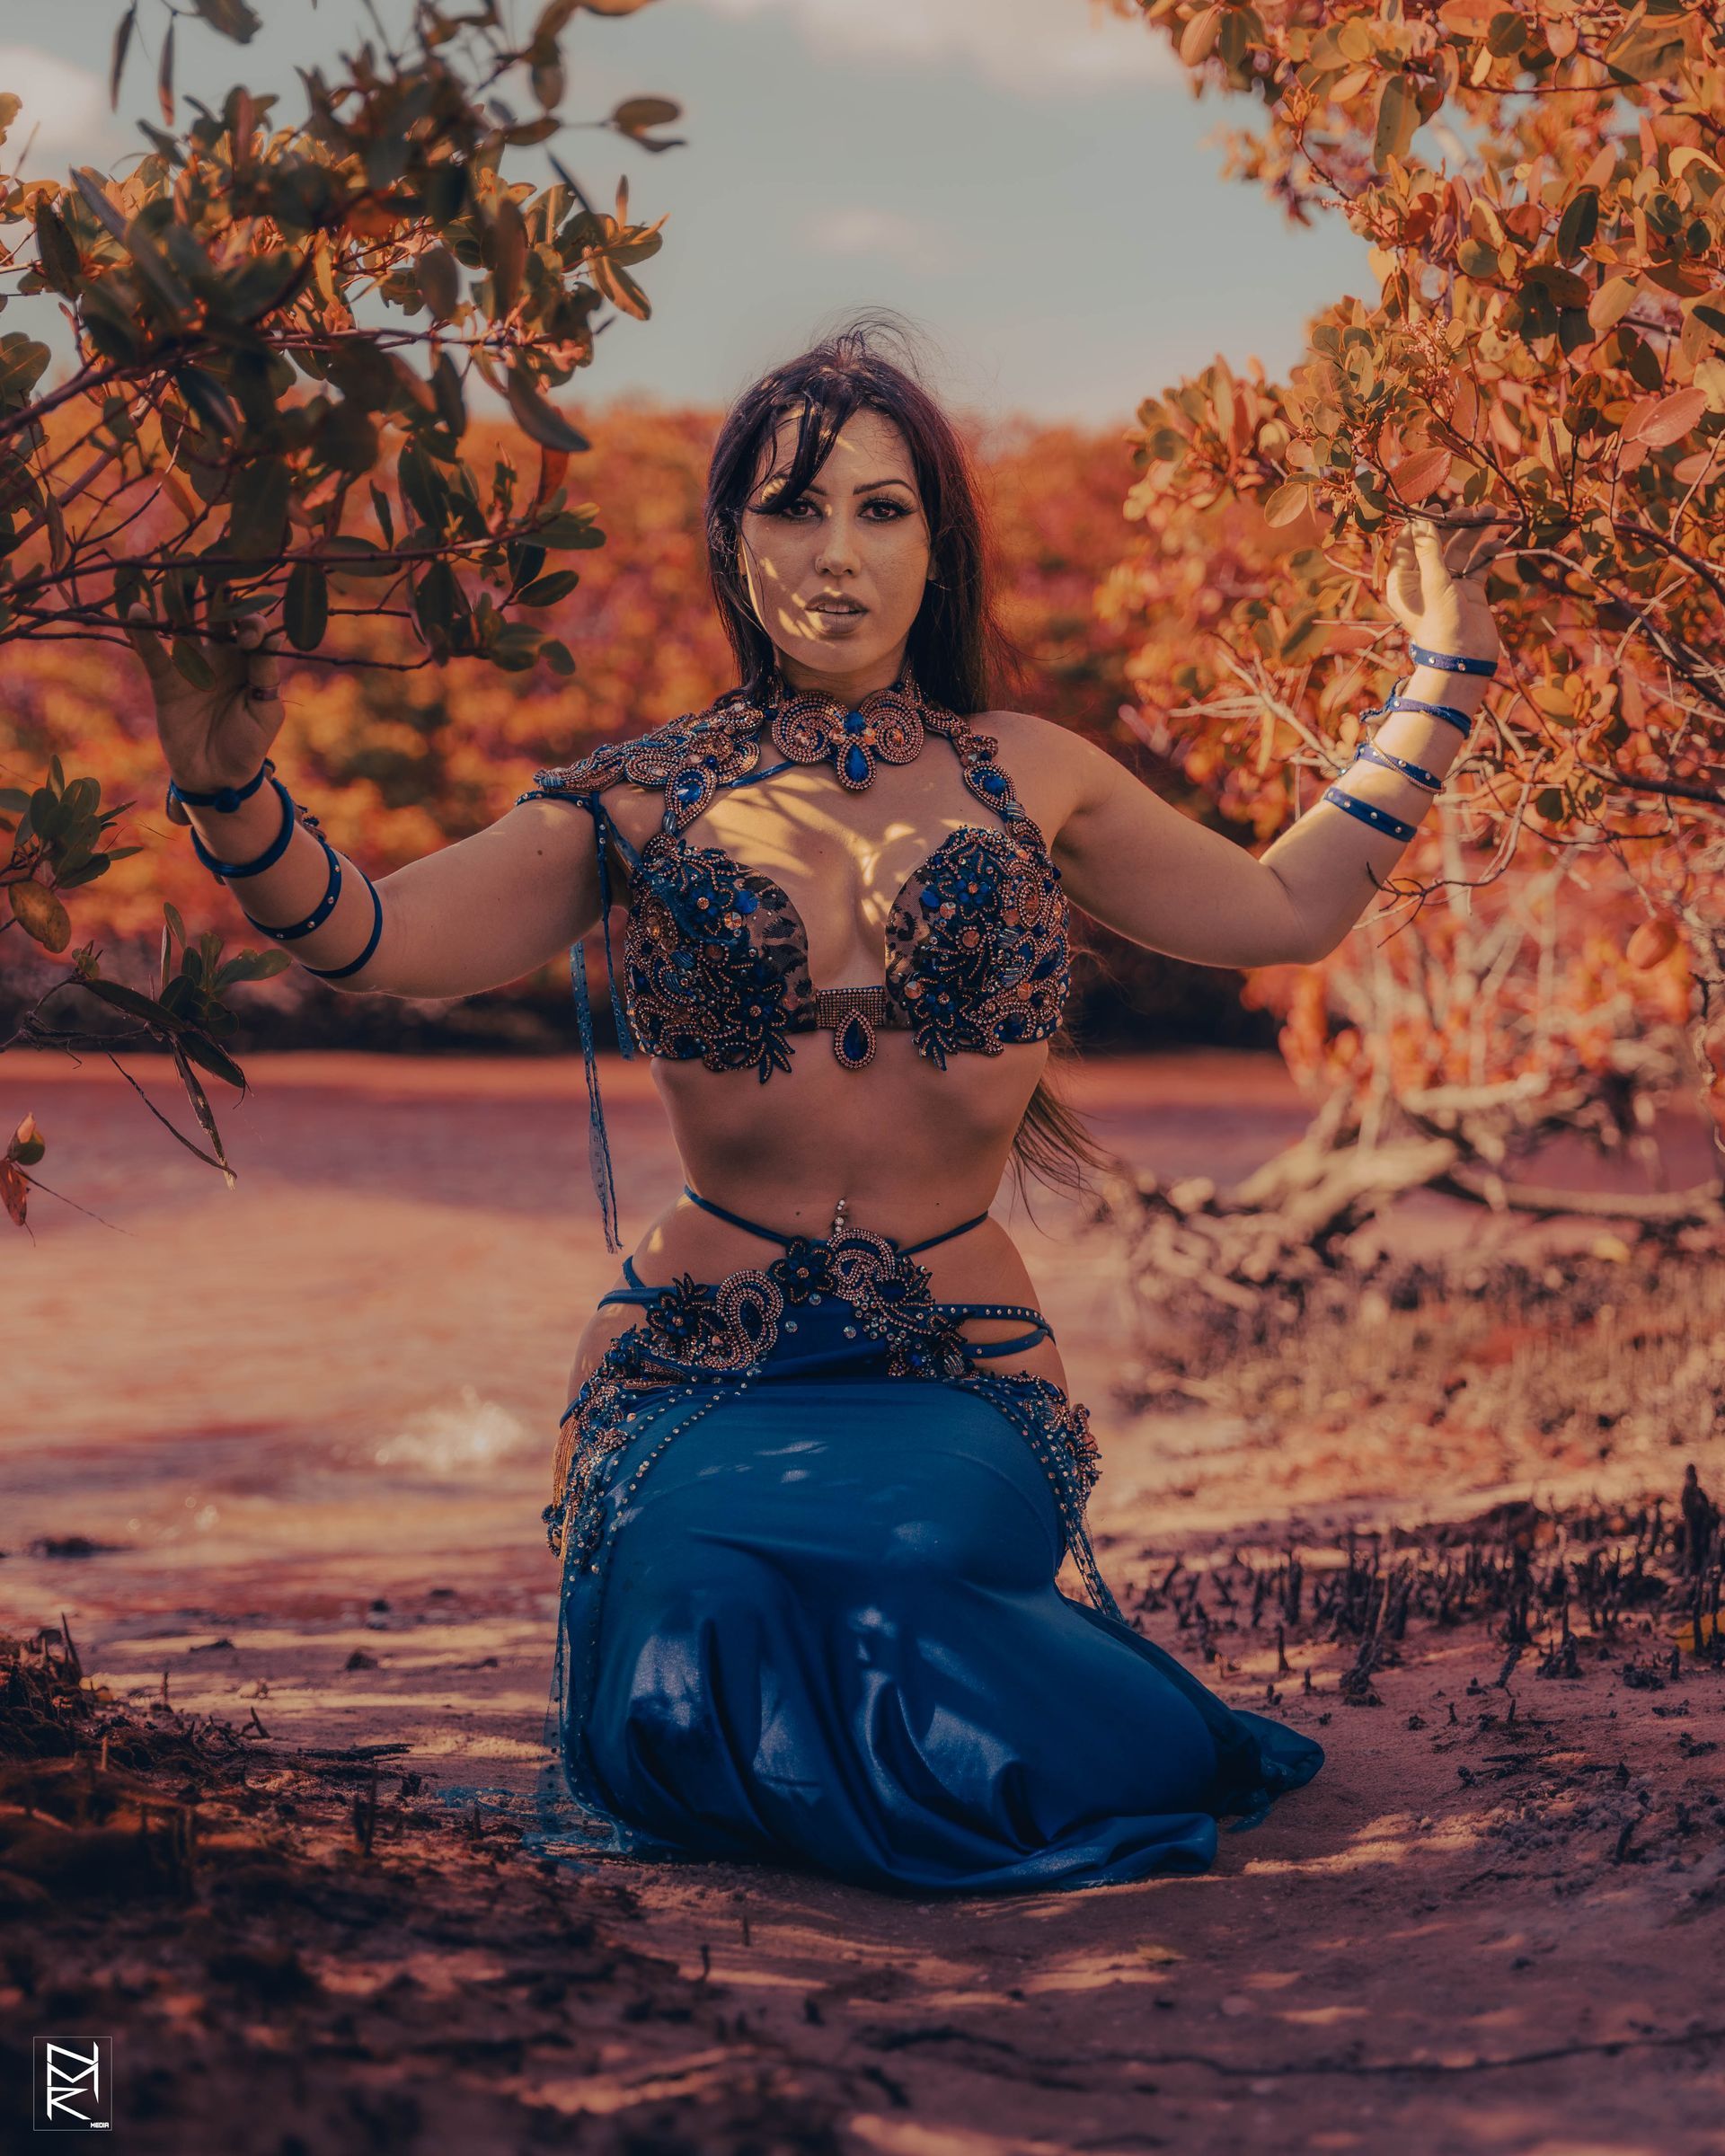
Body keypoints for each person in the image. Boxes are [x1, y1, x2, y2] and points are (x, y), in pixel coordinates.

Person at [126, 321, 1501, 1895]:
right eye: (793, 509)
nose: (834, 554)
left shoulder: (1031, 774)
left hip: (954, 1362)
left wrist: (1446, 677)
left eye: (880, 509)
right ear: (731, 541)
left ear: (938, 545)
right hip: (694, 1359)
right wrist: (228, 788)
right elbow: (371, 939)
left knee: (904, 1567)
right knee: (695, 1582)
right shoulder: (637, 796)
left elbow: (1285, 910)